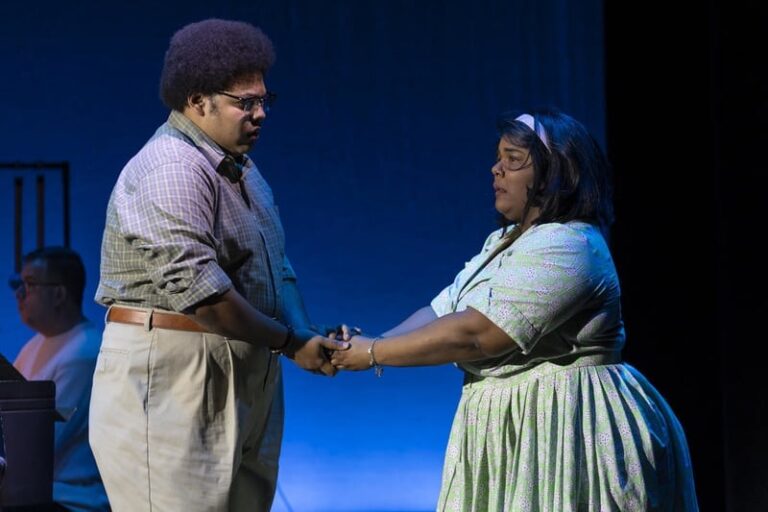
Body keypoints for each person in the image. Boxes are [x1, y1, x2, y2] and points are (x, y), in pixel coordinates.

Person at [331, 108, 699, 510]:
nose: (495, 170)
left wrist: (372, 354)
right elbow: (444, 310)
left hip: (568, 429)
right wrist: (372, 342)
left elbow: (478, 334)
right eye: (498, 157)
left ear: (555, 173)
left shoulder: (571, 247)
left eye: (512, 160)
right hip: (514, 426)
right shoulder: (504, 242)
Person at [90, 18, 343, 511]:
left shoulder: (241, 169)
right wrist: (291, 343)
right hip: (177, 370)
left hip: (243, 365)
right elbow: (204, 297)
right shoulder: (172, 166)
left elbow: (277, 266)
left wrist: (304, 332)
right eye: (244, 102)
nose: (260, 113)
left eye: (265, 100)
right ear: (197, 100)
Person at [12, 247, 109, 511]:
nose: (19, 294)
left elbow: (38, 445)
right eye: (18, 284)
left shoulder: (84, 352)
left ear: (59, 294)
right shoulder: (35, 344)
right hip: (33, 493)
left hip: (70, 499)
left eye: (29, 284)